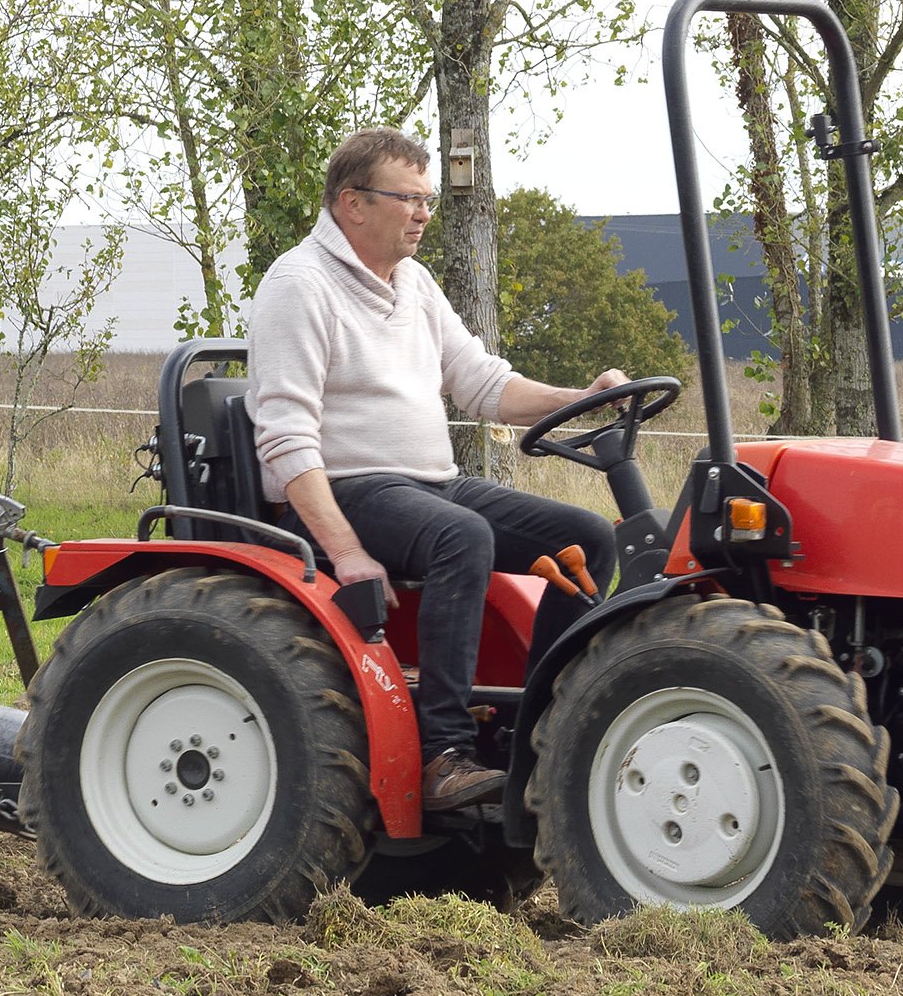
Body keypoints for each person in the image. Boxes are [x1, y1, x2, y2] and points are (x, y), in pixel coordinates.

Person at [247, 128, 632, 816]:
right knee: (463, 537)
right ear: (352, 205)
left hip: (425, 483)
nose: (424, 213)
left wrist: (582, 398)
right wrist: (347, 552)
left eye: (428, 199)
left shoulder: (415, 285)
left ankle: (534, 736)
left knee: (589, 539)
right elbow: (285, 438)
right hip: (344, 488)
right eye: (409, 199)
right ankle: (442, 754)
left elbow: (483, 385)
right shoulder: (299, 285)